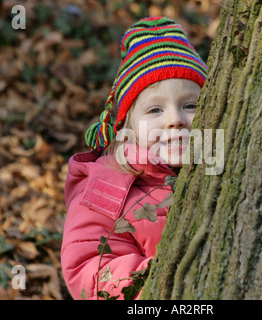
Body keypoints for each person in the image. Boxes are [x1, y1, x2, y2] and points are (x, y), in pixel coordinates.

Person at [61, 16, 207, 300]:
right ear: (128, 126)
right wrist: (156, 278)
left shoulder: (217, 167)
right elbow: (87, 267)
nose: (175, 120)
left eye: (190, 105)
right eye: (155, 110)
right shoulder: (106, 186)